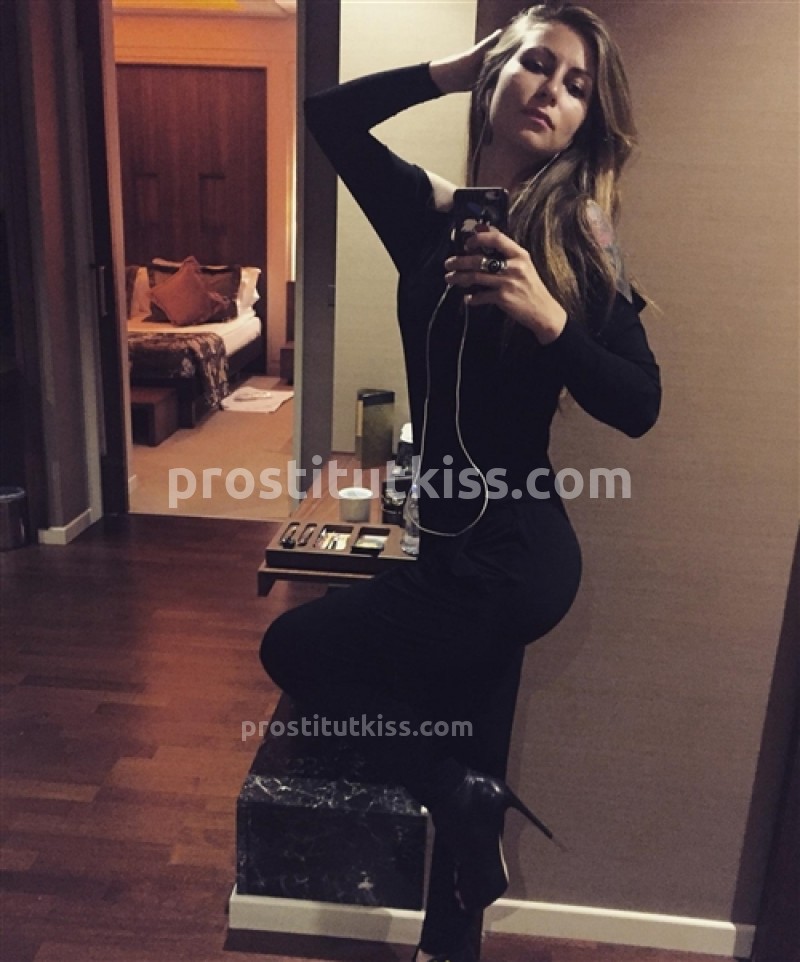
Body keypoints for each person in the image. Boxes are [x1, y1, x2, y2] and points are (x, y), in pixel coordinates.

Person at [260, 4, 661, 961]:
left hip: (516, 558)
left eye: (576, 87)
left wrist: (548, 318)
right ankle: (459, 885)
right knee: (468, 767)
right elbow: (328, 115)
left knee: (296, 649)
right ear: (498, 74)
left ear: (586, 123)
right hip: (447, 545)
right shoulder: (428, 218)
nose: (552, 91)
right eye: (536, 64)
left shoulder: (582, 242)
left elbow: (641, 402)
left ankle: (456, 796)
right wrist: (451, 68)